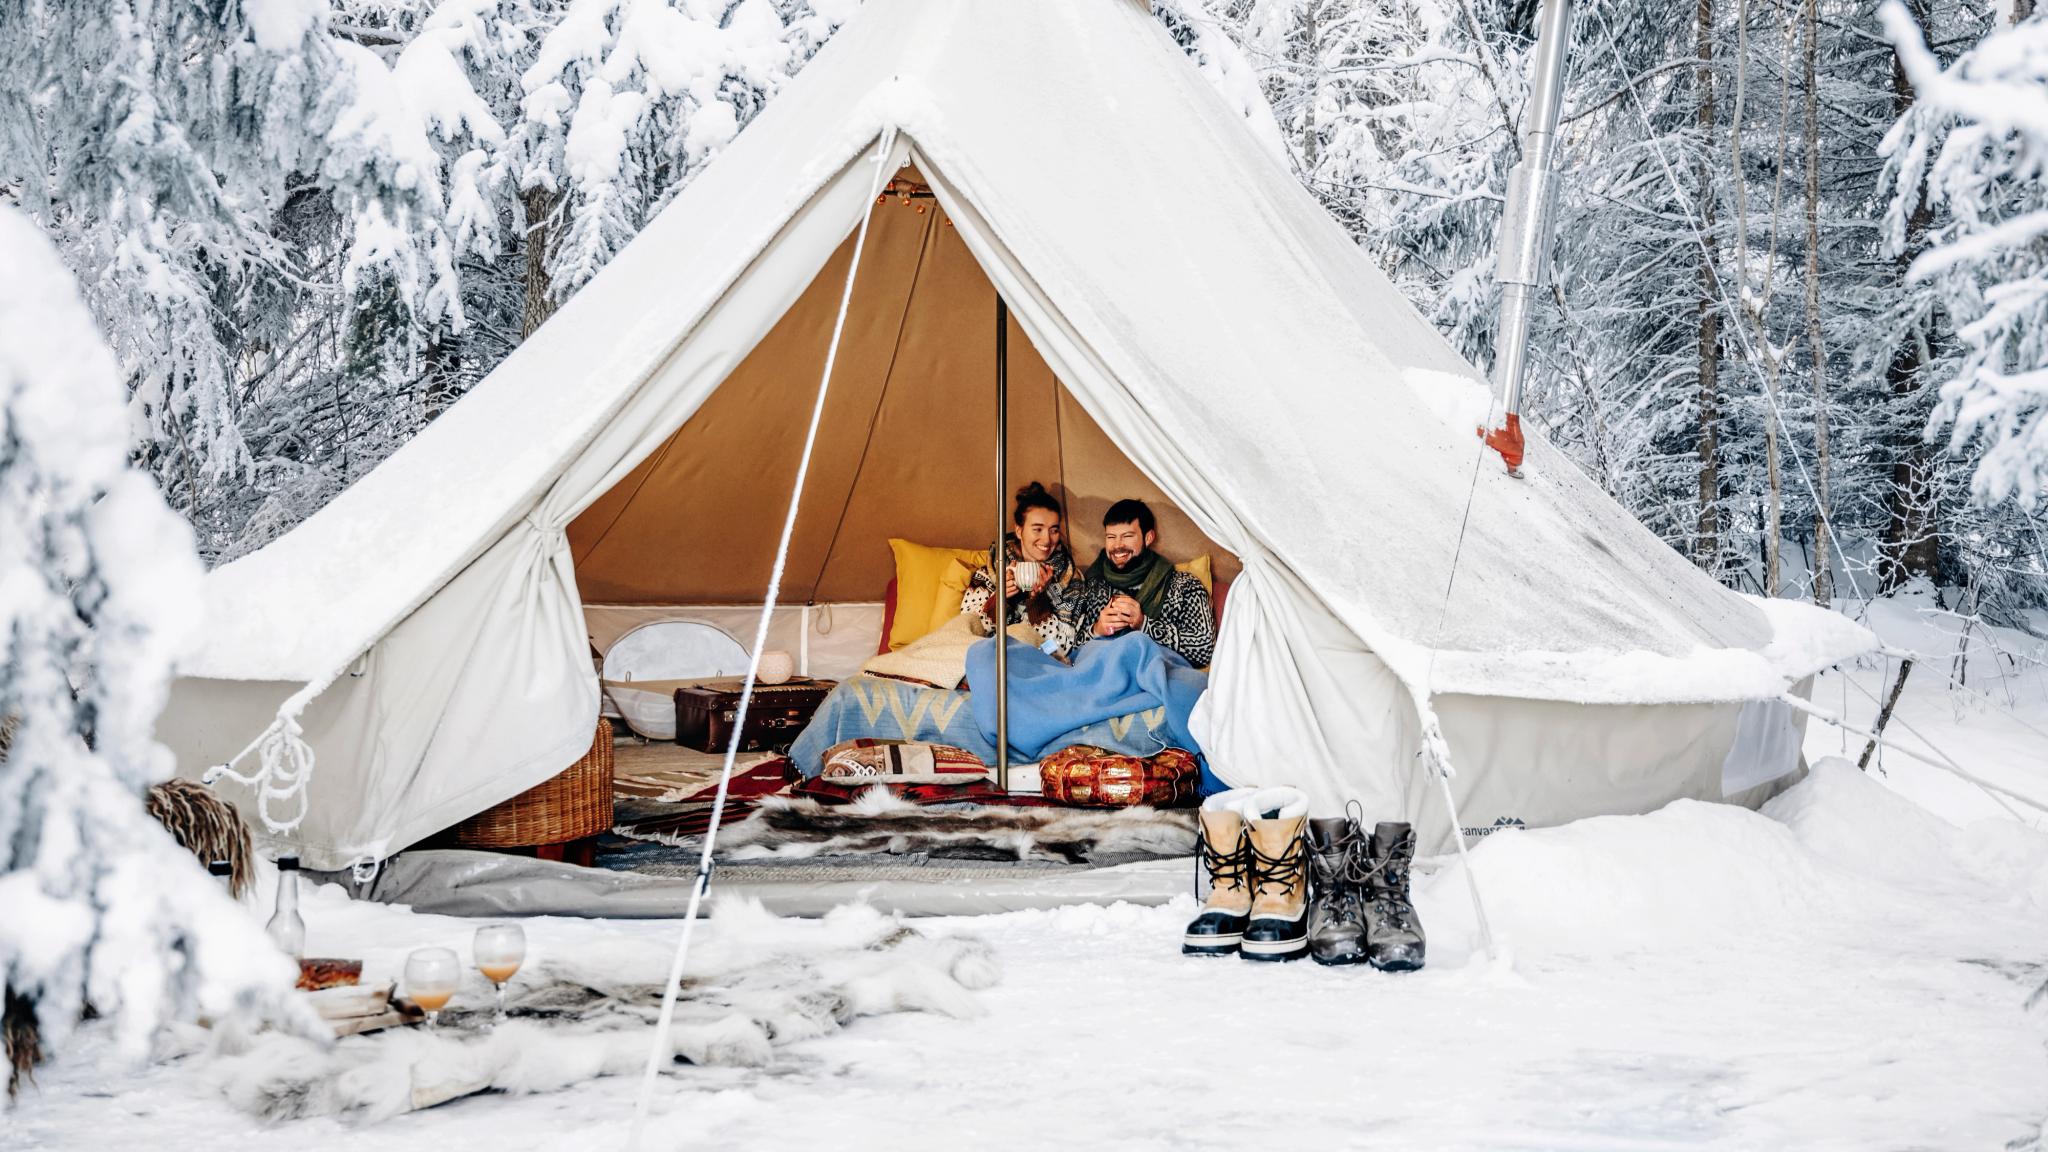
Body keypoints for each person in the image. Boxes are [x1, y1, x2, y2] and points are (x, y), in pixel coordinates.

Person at [1072, 498, 1215, 667]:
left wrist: (1144, 624)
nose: (1117, 545)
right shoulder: (1095, 585)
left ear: (1148, 538)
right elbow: (1072, 650)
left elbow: (1205, 649)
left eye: (1127, 536)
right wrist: (1097, 629)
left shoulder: (1185, 586)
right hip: (1103, 677)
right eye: (1111, 537)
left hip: (1155, 678)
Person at [961, 481, 1080, 657]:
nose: (1047, 540)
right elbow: (965, 633)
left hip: (1032, 660)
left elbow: (1061, 647)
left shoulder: (1070, 581)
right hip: (988, 657)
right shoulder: (989, 572)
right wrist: (999, 601)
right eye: (1037, 529)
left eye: (1053, 530)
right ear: (1019, 531)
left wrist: (1038, 604)